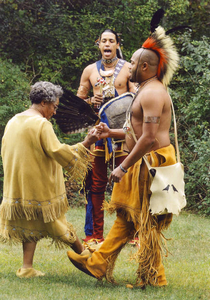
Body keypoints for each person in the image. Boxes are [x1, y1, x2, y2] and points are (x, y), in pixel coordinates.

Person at [67, 25, 180, 287]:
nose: (127, 65)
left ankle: (155, 277)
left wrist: (123, 167)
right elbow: (134, 129)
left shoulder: (152, 93)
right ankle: (98, 264)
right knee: (127, 217)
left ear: (144, 67)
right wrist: (110, 133)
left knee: (144, 221)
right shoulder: (145, 89)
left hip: (149, 163)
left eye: (131, 62)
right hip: (142, 161)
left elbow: (149, 138)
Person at [0, 81, 100, 278]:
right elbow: (57, 152)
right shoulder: (41, 124)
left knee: (31, 223)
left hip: (18, 183)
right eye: (54, 106)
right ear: (44, 103)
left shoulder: (14, 120)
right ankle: (88, 258)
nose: (55, 112)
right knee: (56, 222)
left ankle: (27, 267)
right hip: (39, 185)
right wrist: (87, 142)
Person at [77, 29, 135, 243]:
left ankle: (132, 233)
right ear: (98, 44)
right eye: (104, 41)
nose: (108, 44)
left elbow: (136, 99)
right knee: (96, 183)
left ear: (118, 44)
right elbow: (79, 101)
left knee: (127, 181)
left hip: (123, 133)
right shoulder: (90, 70)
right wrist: (91, 101)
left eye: (112, 41)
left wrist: (115, 99)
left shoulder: (129, 68)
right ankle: (94, 235)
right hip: (99, 133)